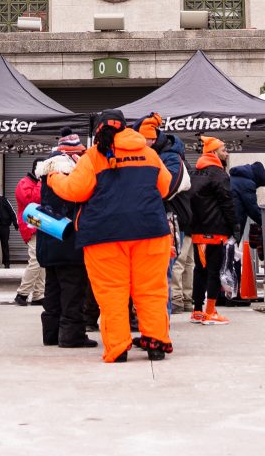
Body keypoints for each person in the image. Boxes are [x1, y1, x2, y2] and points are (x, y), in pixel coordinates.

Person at [47, 109, 173, 362]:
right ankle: (156, 342)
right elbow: (165, 186)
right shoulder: (148, 154)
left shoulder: (93, 156)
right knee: (151, 290)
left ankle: (118, 348)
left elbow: (76, 191)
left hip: (104, 235)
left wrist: (53, 178)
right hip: (150, 231)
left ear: (98, 130)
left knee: (112, 292)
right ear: (126, 128)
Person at [33, 132, 97, 349]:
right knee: (72, 288)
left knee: (53, 288)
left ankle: (50, 334)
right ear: (72, 153)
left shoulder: (46, 172)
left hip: (48, 237)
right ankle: (71, 334)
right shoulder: (70, 173)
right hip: (68, 240)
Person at [144, 116, 192, 315]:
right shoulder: (163, 156)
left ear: (152, 139)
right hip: (163, 218)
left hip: (170, 220)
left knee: (165, 271)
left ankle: (163, 319)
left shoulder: (171, 157)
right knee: (166, 270)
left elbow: (167, 189)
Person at [187, 137, 237, 325]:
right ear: (214, 153)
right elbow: (227, 203)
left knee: (200, 270)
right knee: (214, 271)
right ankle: (210, 312)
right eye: (224, 150)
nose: (227, 153)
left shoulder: (195, 173)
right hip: (216, 231)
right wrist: (235, 227)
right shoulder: (219, 174)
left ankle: (197, 311)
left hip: (198, 232)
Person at [226, 161, 265, 305]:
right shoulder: (246, 184)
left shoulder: (235, 178)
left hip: (225, 224)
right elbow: (252, 209)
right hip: (233, 225)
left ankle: (223, 294)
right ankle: (234, 293)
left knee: (224, 259)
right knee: (233, 258)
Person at [12, 167, 45, 305]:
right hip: (30, 224)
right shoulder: (24, 183)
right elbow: (34, 200)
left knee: (42, 261)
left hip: (41, 224)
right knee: (36, 260)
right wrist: (41, 183)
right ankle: (22, 293)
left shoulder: (37, 182)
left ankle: (39, 294)